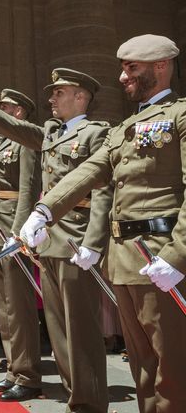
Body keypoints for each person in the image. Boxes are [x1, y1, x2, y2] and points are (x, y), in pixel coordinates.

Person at [21, 34, 186, 412]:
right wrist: (44, 210)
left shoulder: (180, 115)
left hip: (162, 255)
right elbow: (91, 172)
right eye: (123, 69)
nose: (123, 77)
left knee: (172, 367)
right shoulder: (125, 127)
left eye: (132, 68)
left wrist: (177, 256)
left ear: (160, 67)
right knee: (143, 364)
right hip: (126, 258)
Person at [0, 69, 112, 411]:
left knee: (80, 329)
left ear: (81, 97)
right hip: (51, 238)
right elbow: (18, 130)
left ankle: (90, 402)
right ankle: (77, 399)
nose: (51, 98)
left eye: (60, 92)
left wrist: (94, 241)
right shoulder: (52, 133)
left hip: (77, 237)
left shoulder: (96, 133)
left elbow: (102, 189)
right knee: (58, 330)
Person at [0, 89, 42, 401]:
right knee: (4, 306)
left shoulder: (25, 143)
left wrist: (18, 232)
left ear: (18, 112)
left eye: (5, 107)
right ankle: (13, 369)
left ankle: (28, 374)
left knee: (18, 306)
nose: (1, 112)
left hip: (12, 228)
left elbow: (29, 189)